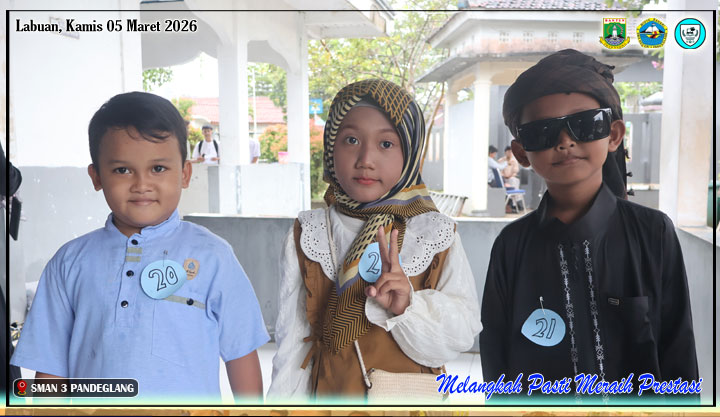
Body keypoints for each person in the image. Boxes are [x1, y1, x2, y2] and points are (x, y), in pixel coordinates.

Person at [10, 92, 269, 403]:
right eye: (122, 170)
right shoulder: (69, 263)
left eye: (158, 168)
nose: (141, 184)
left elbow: (241, 353)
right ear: (96, 176)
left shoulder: (213, 256)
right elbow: (51, 366)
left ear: (185, 174)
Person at [479, 49, 698, 404]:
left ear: (613, 135)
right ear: (521, 153)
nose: (565, 141)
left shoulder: (653, 233)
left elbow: (678, 349)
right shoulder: (511, 245)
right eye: (543, 131)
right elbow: (495, 354)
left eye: (585, 123)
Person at [268, 79, 481, 401]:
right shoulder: (309, 232)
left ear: (410, 153)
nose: (366, 158)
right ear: (331, 147)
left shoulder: (435, 233)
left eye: (386, 144)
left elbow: (462, 333)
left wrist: (408, 306)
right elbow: (291, 342)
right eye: (351, 140)